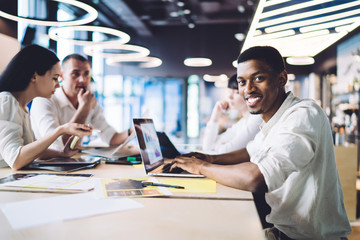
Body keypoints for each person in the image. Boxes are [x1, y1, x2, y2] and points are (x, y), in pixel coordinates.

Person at [171, 46, 351, 239]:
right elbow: (249, 152)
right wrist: (209, 158)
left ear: (281, 79)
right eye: (242, 82)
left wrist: (201, 167)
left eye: (258, 78)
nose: (247, 89)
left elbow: (257, 178)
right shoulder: (273, 119)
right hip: (283, 230)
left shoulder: (303, 114)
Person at [0, 45, 92, 170]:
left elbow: (30, 149)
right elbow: (16, 160)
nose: (58, 86)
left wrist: (61, 154)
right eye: (54, 78)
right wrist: (60, 130)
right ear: (34, 76)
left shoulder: (22, 107)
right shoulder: (6, 100)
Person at [30, 54, 131, 150]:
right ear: (62, 76)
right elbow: (58, 145)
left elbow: (111, 138)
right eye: (75, 74)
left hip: (74, 161)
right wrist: (84, 108)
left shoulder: (89, 101)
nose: (83, 80)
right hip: (43, 164)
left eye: (86, 74)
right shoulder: (44, 100)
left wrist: (133, 131)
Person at [202, 74, 262, 153]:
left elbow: (225, 151)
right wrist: (215, 117)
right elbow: (207, 147)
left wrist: (219, 147)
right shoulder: (242, 123)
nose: (230, 97)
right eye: (229, 92)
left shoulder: (257, 119)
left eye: (236, 92)